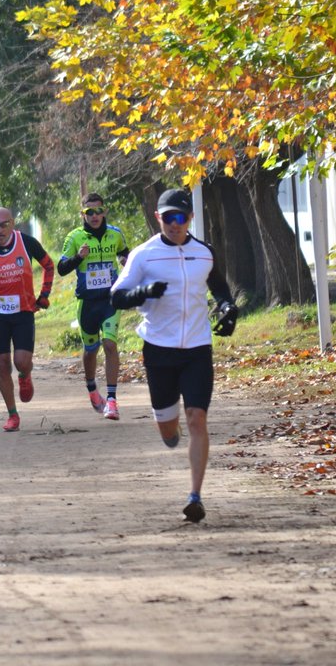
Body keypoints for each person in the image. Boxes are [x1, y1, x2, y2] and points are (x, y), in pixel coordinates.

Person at [110, 188, 237, 524]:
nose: (174, 224)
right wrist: (143, 292)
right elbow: (116, 296)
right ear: (159, 219)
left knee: (197, 418)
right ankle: (169, 431)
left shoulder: (204, 253)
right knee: (169, 431)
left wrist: (227, 307)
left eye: (180, 218)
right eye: (168, 218)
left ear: (190, 219)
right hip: (159, 350)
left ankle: (195, 495)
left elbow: (219, 287)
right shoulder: (143, 255)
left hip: (197, 348)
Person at [0, 207, 54, 432]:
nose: (0, 229)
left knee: (21, 362)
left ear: (13, 224)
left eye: (4, 224)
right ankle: (12, 414)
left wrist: (43, 295)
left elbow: (49, 265)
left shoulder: (27, 242)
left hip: (23, 310)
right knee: (2, 365)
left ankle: (25, 375)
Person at [57, 192, 131, 420]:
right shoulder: (75, 237)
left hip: (110, 300)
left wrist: (125, 262)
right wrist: (78, 258)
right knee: (91, 351)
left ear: (104, 211)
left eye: (99, 211)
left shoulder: (115, 234)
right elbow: (61, 268)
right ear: (83, 214)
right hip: (87, 303)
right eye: (90, 212)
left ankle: (112, 401)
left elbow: (127, 255)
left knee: (110, 344)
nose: (95, 216)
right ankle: (92, 389)